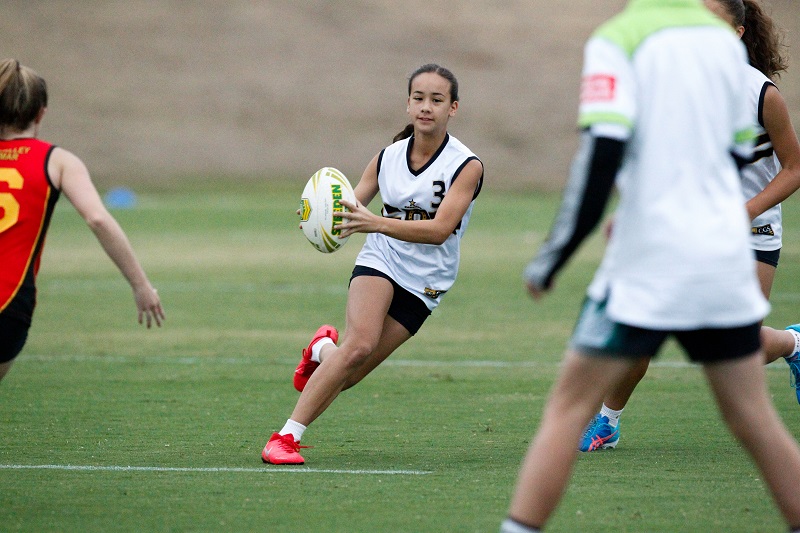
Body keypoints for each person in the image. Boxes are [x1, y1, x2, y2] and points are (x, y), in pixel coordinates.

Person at [501, 1, 800, 531]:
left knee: (567, 408)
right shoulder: (714, 54)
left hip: (655, 254)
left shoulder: (622, 40)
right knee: (752, 418)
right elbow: (719, 160)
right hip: (713, 252)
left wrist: (555, 257)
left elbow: (603, 157)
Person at [579, 0, 800, 454]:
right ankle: (607, 421)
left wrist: (745, 210)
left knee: (740, 352)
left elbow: (794, 168)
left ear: (737, 33)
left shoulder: (760, 94)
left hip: (750, 234)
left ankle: (793, 344)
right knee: (638, 332)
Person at [261, 63, 484, 465]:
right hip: (383, 258)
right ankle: (283, 438)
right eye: (418, 98)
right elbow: (350, 207)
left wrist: (375, 221)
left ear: (453, 108)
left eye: (436, 100)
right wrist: (320, 215)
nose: (426, 107)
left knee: (351, 371)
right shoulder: (387, 157)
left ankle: (323, 350)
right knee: (360, 343)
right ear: (408, 104)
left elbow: (440, 230)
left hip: (428, 281)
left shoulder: (466, 166)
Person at [0, 59, 165, 382]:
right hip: (10, 298)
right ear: (41, 113)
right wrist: (140, 285)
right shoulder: (57, 161)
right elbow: (98, 219)